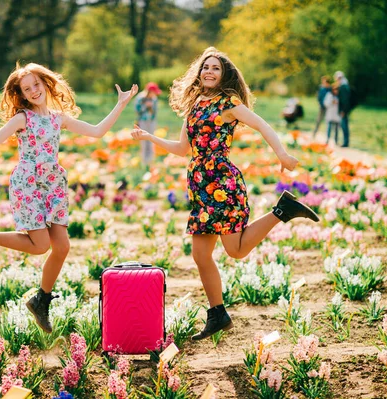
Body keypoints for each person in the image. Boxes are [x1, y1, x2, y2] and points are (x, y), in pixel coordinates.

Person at [131, 47, 319, 340]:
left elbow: (262, 125)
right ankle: (217, 314)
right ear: (199, 72)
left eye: (215, 68)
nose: (209, 72)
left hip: (221, 184)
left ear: (224, 75)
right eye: (205, 67)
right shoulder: (195, 105)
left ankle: (283, 211)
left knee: (236, 250)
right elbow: (183, 149)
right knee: (200, 254)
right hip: (200, 187)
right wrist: (149, 136)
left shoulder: (229, 103)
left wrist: (282, 154)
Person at [0, 63, 138, 333]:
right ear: (21, 94)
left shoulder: (57, 118)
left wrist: (121, 103)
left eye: (36, 85)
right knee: (41, 246)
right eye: (26, 88)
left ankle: (41, 300)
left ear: (45, 84)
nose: (33, 91)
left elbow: (98, 131)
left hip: (53, 185)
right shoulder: (22, 119)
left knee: (62, 247)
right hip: (28, 184)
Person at [135, 82, 161, 165]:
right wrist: (145, 106)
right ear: (149, 91)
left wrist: (151, 107)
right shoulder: (140, 98)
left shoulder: (154, 98)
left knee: (151, 140)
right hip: (143, 121)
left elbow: (155, 111)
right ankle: (143, 162)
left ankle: (150, 162)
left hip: (151, 121)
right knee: (143, 141)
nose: (154, 94)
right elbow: (137, 110)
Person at [334, 71, 351, 147]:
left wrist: (343, 111)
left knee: (344, 126)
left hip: (343, 110)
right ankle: (345, 142)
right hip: (345, 110)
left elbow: (345, 100)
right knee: (344, 126)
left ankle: (345, 142)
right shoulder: (345, 85)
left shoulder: (343, 87)